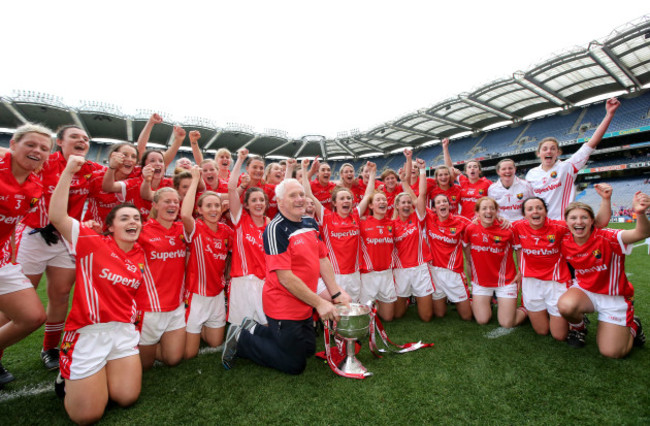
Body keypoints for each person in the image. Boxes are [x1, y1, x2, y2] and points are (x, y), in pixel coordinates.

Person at [50, 155, 144, 424]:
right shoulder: (92, 241)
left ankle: (100, 374)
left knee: (126, 398)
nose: (132, 221)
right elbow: (57, 216)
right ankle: (67, 376)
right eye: (124, 217)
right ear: (110, 226)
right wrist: (69, 170)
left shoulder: (140, 252)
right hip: (88, 332)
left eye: (136, 217)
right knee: (87, 416)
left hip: (123, 331)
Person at [221, 178, 350, 374]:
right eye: (293, 195)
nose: (299, 199)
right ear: (279, 202)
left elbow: (323, 259)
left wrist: (335, 294)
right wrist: (320, 303)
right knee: (294, 364)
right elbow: (285, 278)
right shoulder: (275, 229)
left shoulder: (310, 222)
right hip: (283, 305)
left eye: (301, 194)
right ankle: (242, 338)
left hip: (304, 303)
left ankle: (254, 328)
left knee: (307, 350)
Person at [17, 125, 104, 371]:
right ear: (60, 142)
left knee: (61, 294)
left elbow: (122, 172)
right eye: (75, 136)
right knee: (19, 298)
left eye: (86, 138)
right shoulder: (44, 161)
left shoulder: (91, 169)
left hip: (64, 238)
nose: (82, 141)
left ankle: (50, 349)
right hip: (32, 234)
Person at [557, 192, 650, 358]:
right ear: (567, 222)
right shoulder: (564, 241)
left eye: (584, 217)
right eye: (573, 218)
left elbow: (641, 234)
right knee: (565, 305)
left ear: (592, 221)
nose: (579, 222)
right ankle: (579, 329)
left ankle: (634, 326)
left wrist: (640, 213)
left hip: (613, 297)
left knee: (612, 352)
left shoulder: (608, 237)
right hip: (585, 292)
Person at [0, 124, 51, 386]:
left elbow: (10, 224)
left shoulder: (34, 188)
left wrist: (9, 255)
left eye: (44, 148)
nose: (37, 150)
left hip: (2, 261)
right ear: (13, 144)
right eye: (31, 144)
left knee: (32, 317)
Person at [526, 98, 620, 220]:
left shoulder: (567, 167)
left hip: (564, 224)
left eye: (552, 148)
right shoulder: (531, 174)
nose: (548, 151)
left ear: (558, 152)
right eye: (545, 149)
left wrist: (609, 114)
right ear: (539, 153)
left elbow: (590, 144)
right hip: (541, 227)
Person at [302, 159, 375, 303]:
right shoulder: (326, 216)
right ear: (334, 203)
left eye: (349, 198)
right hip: (334, 275)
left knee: (352, 309)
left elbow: (367, 195)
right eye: (342, 198)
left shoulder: (355, 215)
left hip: (354, 274)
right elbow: (309, 194)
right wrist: (305, 170)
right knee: (336, 312)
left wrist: (372, 173)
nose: (346, 201)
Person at [181, 166, 233, 359]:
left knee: (215, 343)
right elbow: (185, 215)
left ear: (222, 208)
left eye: (217, 206)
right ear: (199, 209)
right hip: (196, 296)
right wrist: (195, 180)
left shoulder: (226, 230)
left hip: (217, 295)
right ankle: (185, 331)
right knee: (188, 354)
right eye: (208, 206)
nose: (213, 209)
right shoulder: (196, 227)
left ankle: (197, 329)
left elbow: (234, 252)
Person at [410, 159, 472, 320]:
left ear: (449, 204)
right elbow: (421, 195)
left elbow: (480, 224)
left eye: (444, 201)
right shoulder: (429, 218)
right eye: (438, 202)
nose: (442, 204)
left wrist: (502, 221)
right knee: (439, 314)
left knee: (467, 317)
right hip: (435, 271)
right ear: (434, 207)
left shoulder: (461, 221)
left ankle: (475, 298)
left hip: (454, 273)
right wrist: (422, 170)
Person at [136, 188, 187, 370]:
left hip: (176, 305)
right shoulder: (142, 231)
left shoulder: (182, 229)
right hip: (150, 307)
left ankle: (153, 344)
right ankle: (131, 348)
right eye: (167, 201)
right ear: (155, 205)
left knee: (173, 359)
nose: (173, 205)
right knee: (145, 366)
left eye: (176, 202)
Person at [462, 197, 527, 328]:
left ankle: (527, 309)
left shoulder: (508, 229)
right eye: (484, 208)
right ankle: (486, 301)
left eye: (492, 208)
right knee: (482, 320)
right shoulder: (470, 229)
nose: (489, 211)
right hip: (481, 283)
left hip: (505, 282)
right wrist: (472, 279)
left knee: (507, 323)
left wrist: (521, 272)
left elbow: (519, 250)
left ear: (497, 211)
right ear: (477, 212)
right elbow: (468, 256)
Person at [227, 149, 269, 326]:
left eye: (262, 200)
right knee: (241, 328)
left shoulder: (270, 225)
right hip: (242, 280)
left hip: (265, 281)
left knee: (266, 325)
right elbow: (230, 188)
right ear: (246, 204)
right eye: (254, 200)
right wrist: (240, 160)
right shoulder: (240, 219)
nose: (258, 203)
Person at [391, 169, 435, 322]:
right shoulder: (391, 224)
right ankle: (408, 297)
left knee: (427, 317)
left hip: (420, 268)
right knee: (397, 315)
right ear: (397, 206)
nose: (407, 204)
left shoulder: (418, 217)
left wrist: (422, 170)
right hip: (400, 270)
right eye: (403, 202)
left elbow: (421, 195)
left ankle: (417, 296)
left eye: (409, 202)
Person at [358, 189, 397, 321]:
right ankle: (367, 301)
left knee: (388, 318)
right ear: (370, 206)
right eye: (378, 200)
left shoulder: (392, 224)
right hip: (369, 275)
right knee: (365, 318)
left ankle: (377, 302)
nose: (382, 202)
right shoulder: (362, 223)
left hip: (387, 274)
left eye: (384, 200)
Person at [441, 138, 492, 219]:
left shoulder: (487, 183)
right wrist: (445, 148)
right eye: (469, 167)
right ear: (466, 172)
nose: (472, 169)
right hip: (464, 220)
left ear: (479, 171)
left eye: (475, 167)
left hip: (480, 221)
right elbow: (450, 168)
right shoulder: (463, 180)